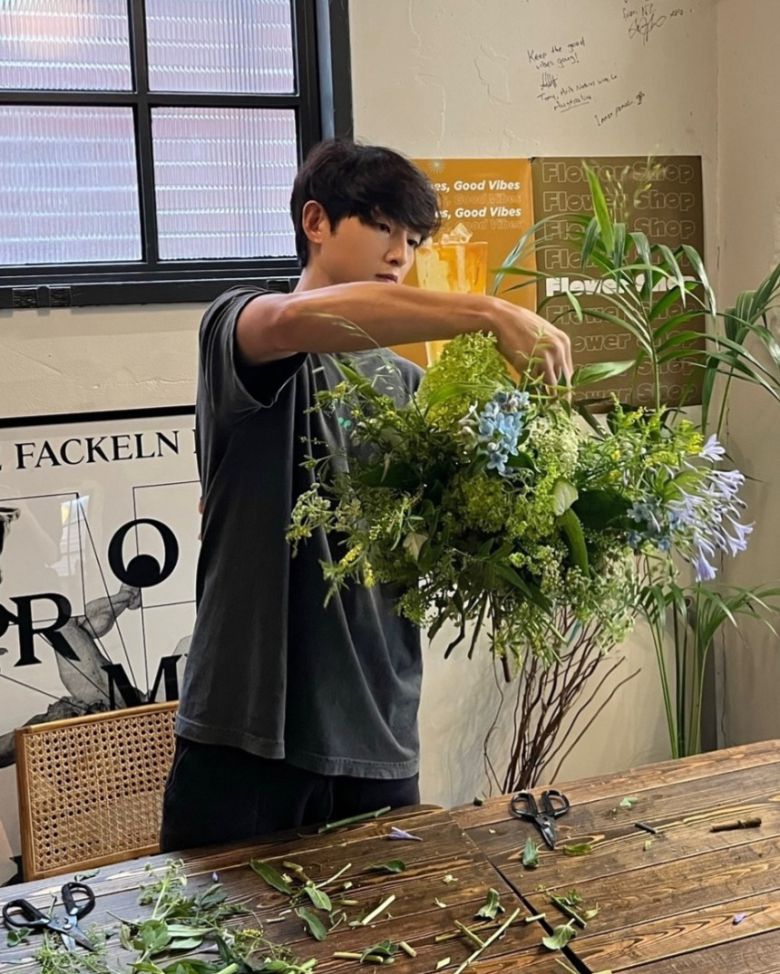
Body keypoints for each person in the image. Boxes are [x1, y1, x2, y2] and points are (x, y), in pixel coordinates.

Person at [160, 139, 572, 851]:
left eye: (412, 240)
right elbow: (295, 322)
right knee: (214, 921)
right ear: (315, 222)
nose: (399, 254)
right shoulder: (244, 329)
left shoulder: (409, 388)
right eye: (382, 226)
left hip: (378, 732)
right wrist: (487, 312)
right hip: (249, 733)